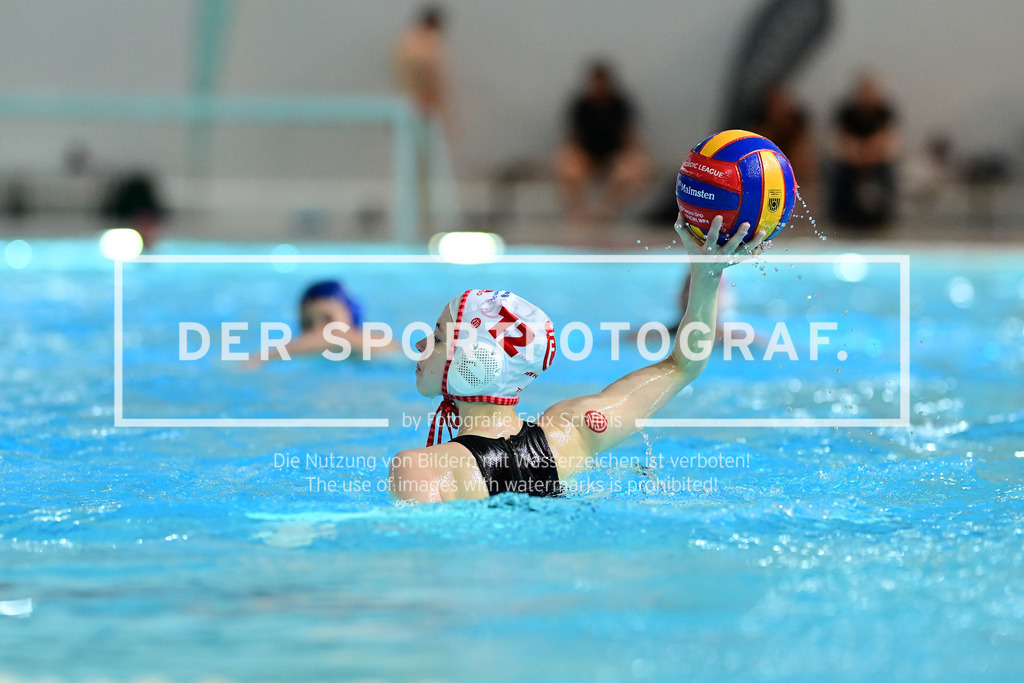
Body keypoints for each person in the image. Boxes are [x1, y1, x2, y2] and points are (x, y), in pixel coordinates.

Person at [388, 215, 768, 503]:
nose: (420, 343)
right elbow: (683, 366)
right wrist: (707, 277)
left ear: (476, 363)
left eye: (438, 337)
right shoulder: (574, 432)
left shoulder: (421, 468)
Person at [554, 61, 652, 227]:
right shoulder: (582, 106)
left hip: (615, 154)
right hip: (587, 154)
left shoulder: (620, 105)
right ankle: (578, 212)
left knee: (633, 169)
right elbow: (574, 137)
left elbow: (628, 135)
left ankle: (607, 210)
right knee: (567, 167)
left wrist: (633, 155)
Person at [394, 4, 461, 233]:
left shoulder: (406, 42)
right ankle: (430, 225)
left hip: (409, 110)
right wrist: (443, 113)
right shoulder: (426, 44)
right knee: (427, 172)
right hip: (423, 112)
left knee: (416, 173)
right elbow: (431, 78)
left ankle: (419, 223)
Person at [248, 280, 391, 365]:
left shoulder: (380, 341)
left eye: (327, 318)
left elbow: (337, 336)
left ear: (351, 315)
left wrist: (265, 356)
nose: (318, 328)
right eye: (308, 322)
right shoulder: (312, 361)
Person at [829, 73, 900, 229]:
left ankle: (884, 214)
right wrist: (857, 156)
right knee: (841, 172)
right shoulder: (847, 113)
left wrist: (867, 156)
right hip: (851, 161)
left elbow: (886, 143)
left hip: (876, 161)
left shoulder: (884, 113)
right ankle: (840, 215)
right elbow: (843, 142)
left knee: (886, 172)